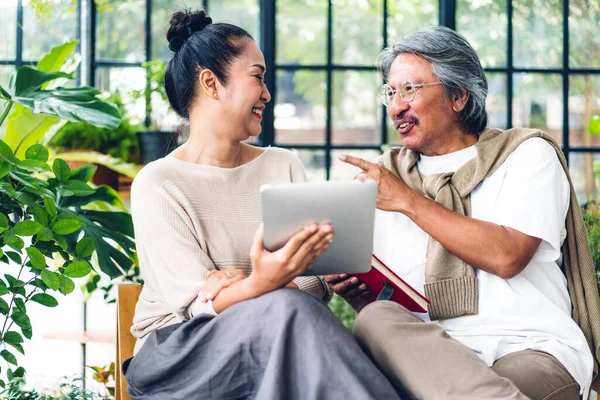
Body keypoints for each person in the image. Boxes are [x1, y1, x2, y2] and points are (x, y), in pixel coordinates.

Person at [122, 8, 402, 400]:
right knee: (286, 308)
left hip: (278, 330)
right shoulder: (159, 182)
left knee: (289, 310)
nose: (268, 93)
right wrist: (265, 282)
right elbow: (200, 306)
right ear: (211, 83)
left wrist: (254, 283)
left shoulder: (281, 163)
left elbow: (313, 283)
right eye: (257, 77)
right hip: (178, 353)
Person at [327, 26, 600, 400]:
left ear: (458, 96)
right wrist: (357, 295)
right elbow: (389, 301)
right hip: (428, 357)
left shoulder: (526, 155)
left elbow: (507, 256)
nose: (395, 106)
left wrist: (408, 201)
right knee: (375, 319)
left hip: (530, 348)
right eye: (391, 93)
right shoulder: (381, 177)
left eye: (409, 89)